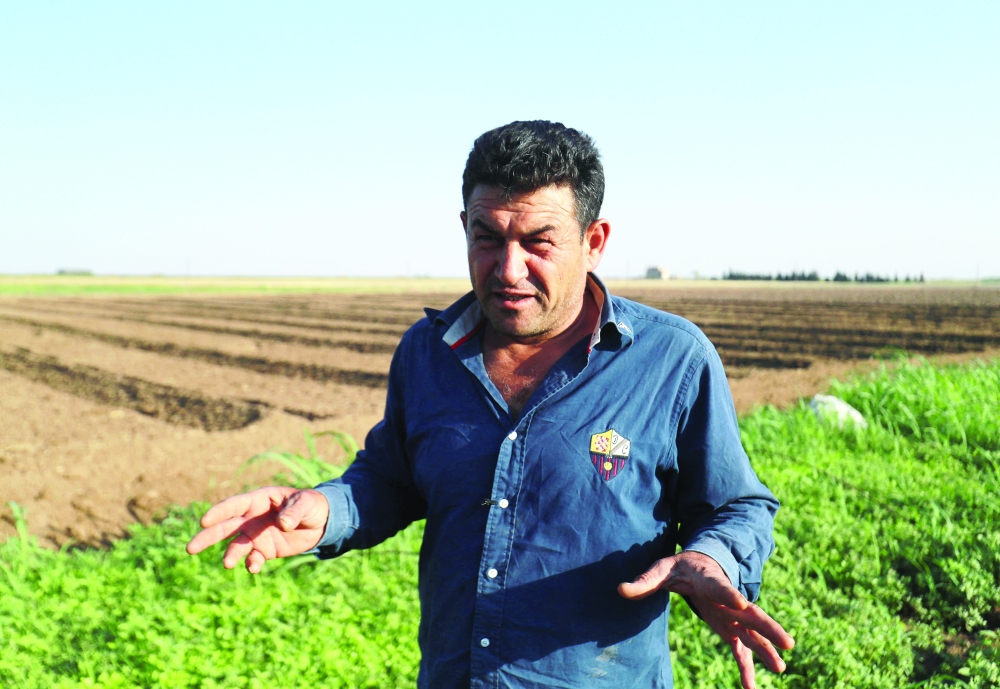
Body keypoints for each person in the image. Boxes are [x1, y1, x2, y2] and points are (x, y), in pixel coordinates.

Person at [187, 120, 794, 689]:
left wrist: (711, 559)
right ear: (465, 229)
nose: (508, 268)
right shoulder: (428, 353)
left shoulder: (671, 361)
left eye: (538, 243)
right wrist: (327, 509)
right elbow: (395, 477)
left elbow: (738, 503)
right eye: (488, 238)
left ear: (595, 241)